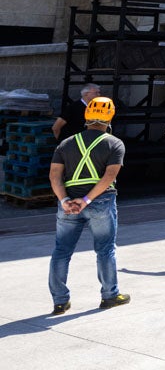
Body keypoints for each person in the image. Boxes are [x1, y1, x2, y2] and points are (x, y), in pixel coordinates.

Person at [48, 96, 128, 314]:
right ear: (109, 116)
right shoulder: (114, 143)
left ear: (86, 116)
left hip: (68, 203)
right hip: (100, 201)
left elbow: (54, 176)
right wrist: (86, 201)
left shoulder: (66, 143)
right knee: (105, 250)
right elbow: (108, 177)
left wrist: (64, 200)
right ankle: (110, 295)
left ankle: (60, 301)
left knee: (61, 251)